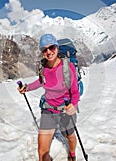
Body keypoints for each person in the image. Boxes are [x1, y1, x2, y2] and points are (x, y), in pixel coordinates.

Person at [18, 33, 80, 161]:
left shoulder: (68, 67)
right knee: (42, 152)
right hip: (49, 109)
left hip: (65, 109)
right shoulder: (43, 67)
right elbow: (41, 82)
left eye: (51, 47)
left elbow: (75, 92)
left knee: (69, 135)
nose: (49, 52)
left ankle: (72, 154)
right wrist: (27, 87)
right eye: (44, 49)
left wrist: (73, 105)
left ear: (57, 48)